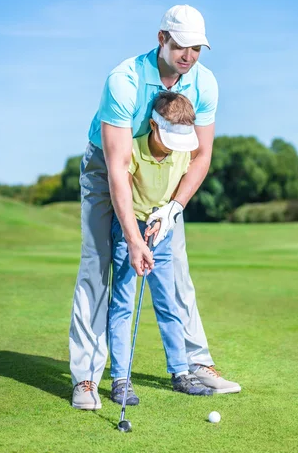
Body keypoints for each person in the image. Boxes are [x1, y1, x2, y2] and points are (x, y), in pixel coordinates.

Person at [70, 4, 241, 411]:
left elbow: (200, 156)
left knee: (175, 269)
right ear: (162, 38)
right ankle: (88, 378)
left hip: (167, 174)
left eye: (197, 48)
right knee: (98, 265)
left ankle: (194, 363)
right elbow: (118, 168)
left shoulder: (205, 83)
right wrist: (133, 238)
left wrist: (174, 208)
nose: (189, 56)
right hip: (108, 166)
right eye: (182, 45)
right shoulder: (124, 81)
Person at [109, 92, 213, 404]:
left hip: (162, 230)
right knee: (124, 304)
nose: (174, 147)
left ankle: (180, 372)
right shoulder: (134, 149)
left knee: (168, 302)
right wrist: (135, 239)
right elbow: (123, 195)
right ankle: (120, 379)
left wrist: (167, 214)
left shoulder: (183, 151)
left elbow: (186, 182)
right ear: (153, 125)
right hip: (129, 229)